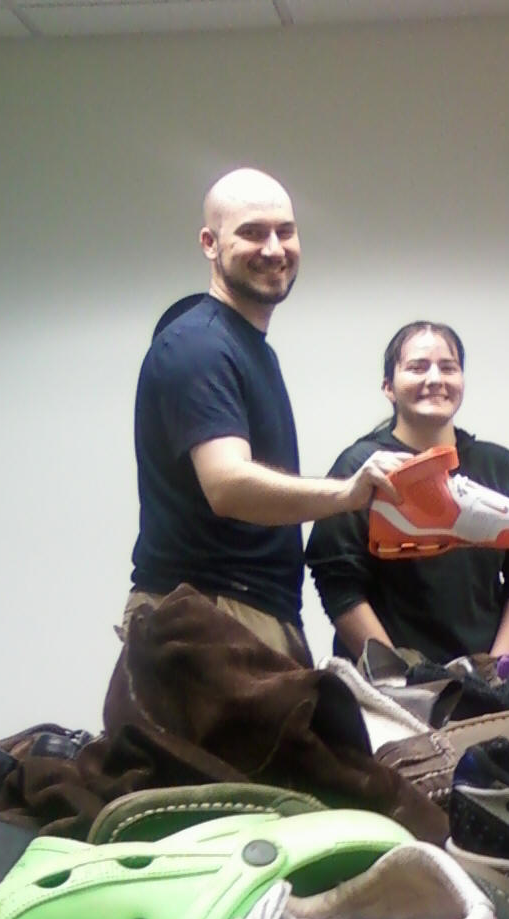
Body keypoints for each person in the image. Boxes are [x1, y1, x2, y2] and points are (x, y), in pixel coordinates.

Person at [127, 167, 404, 664]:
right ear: (210, 243)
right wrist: (346, 493)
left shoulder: (248, 347)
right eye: (252, 232)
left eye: (285, 231)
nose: (274, 248)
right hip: (210, 616)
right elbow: (227, 484)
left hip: (248, 612)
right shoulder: (199, 345)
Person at [307, 322, 509, 664]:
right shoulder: (361, 468)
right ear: (388, 387)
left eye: (448, 368)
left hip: (483, 678)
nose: (435, 379)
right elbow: (337, 582)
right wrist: (396, 676)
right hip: (388, 685)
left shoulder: (500, 467)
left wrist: (498, 669)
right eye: (417, 367)